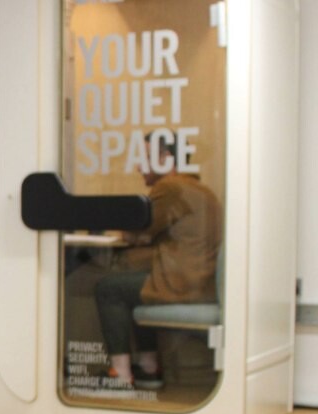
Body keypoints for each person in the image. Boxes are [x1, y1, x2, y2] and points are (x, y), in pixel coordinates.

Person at [94, 135, 223, 389]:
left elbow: (140, 230)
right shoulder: (200, 189)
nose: (138, 167)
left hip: (181, 283)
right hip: (198, 281)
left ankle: (120, 374)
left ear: (165, 159)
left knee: (108, 289)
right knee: (131, 288)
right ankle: (148, 367)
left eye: (144, 159)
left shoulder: (171, 187)